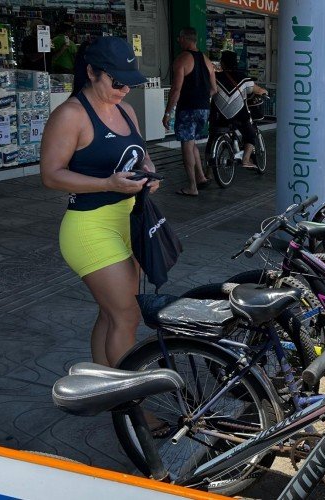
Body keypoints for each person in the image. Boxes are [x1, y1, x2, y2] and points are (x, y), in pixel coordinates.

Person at [40, 37, 159, 371]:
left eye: (130, 83)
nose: (124, 89)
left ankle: (103, 386)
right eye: (117, 82)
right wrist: (107, 184)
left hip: (128, 220)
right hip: (89, 227)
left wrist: (148, 172)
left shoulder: (126, 109)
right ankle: (132, 408)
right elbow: (51, 175)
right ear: (92, 72)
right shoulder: (71, 115)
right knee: (127, 315)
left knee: (111, 313)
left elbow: (141, 153)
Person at [163, 27, 217, 197]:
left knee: (186, 145)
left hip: (187, 109)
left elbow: (176, 90)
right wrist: (201, 98)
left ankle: (192, 187)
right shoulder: (207, 61)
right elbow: (214, 89)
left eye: (179, 38)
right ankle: (200, 177)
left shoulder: (182, 60)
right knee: (192, 142)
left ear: (186, 38)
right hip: (204, 109)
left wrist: (167, 113)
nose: (178, 41)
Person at [210, 51, 268, 169]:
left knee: (212, 138)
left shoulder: (215, 78)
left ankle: (208, 173)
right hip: (238, 116)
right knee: (250, 134)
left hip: (218, 116)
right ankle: (246, 159)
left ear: (222, 64)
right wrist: (264, 92)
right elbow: (257, 90)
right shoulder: (244, 78)